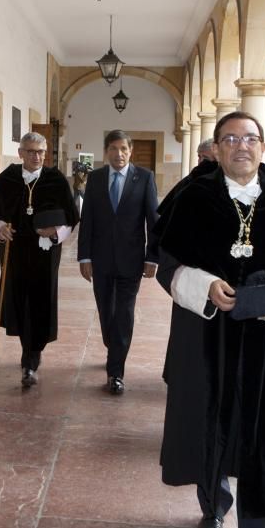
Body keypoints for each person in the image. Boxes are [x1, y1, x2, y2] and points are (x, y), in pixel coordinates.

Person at [154, 111, 265, 528]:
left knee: (263, 436)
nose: (241, 146)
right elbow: (167, 265)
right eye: (230, 139)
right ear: (217, 147)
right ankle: (212, 506)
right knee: (208, 425)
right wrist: (205, 285)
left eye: (250, 138)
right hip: (206, 337)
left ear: (263, 147)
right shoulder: (193, 196)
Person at [0, 132, 77, 387]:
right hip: (15, 252)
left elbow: (71, 218)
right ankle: (29, 355)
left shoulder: (56, 179)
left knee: (40, 302)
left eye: (41, 152)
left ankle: (32, 356)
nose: (37, 157)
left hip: (45, 254)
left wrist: (56, 234)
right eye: (32, 151)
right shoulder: (7, 178)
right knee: (20, 300)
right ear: (21, 153)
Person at [77, 130, 160, 395]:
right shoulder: (96, 178)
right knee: (106, 311)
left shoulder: (144, 178)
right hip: (100, 260)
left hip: (131, 260)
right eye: (113, 148)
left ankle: (116, 372)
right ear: (106, 152)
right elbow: (87, 219)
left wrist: (152, 256)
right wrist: (84, 256)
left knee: (124, 313)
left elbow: (153, 221)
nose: (119, 154)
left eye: (124, 148)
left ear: (130, 151)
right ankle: (114, 346)